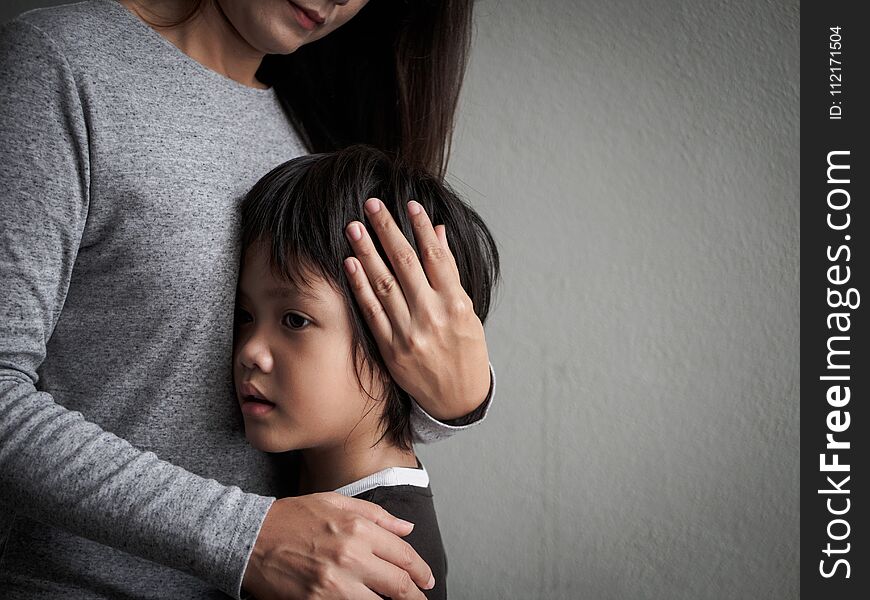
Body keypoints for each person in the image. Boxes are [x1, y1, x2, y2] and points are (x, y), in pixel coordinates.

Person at [0, 1, 496, 598]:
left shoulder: (323, 125)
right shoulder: (63, 65)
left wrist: (462, 397)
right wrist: (246, 537)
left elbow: (350, 378)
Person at [234, 145, 500, 600]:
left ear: (400, 333)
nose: (250, 352)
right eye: (243, 316)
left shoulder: (372, 564)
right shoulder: (317, 490)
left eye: (294, 320)